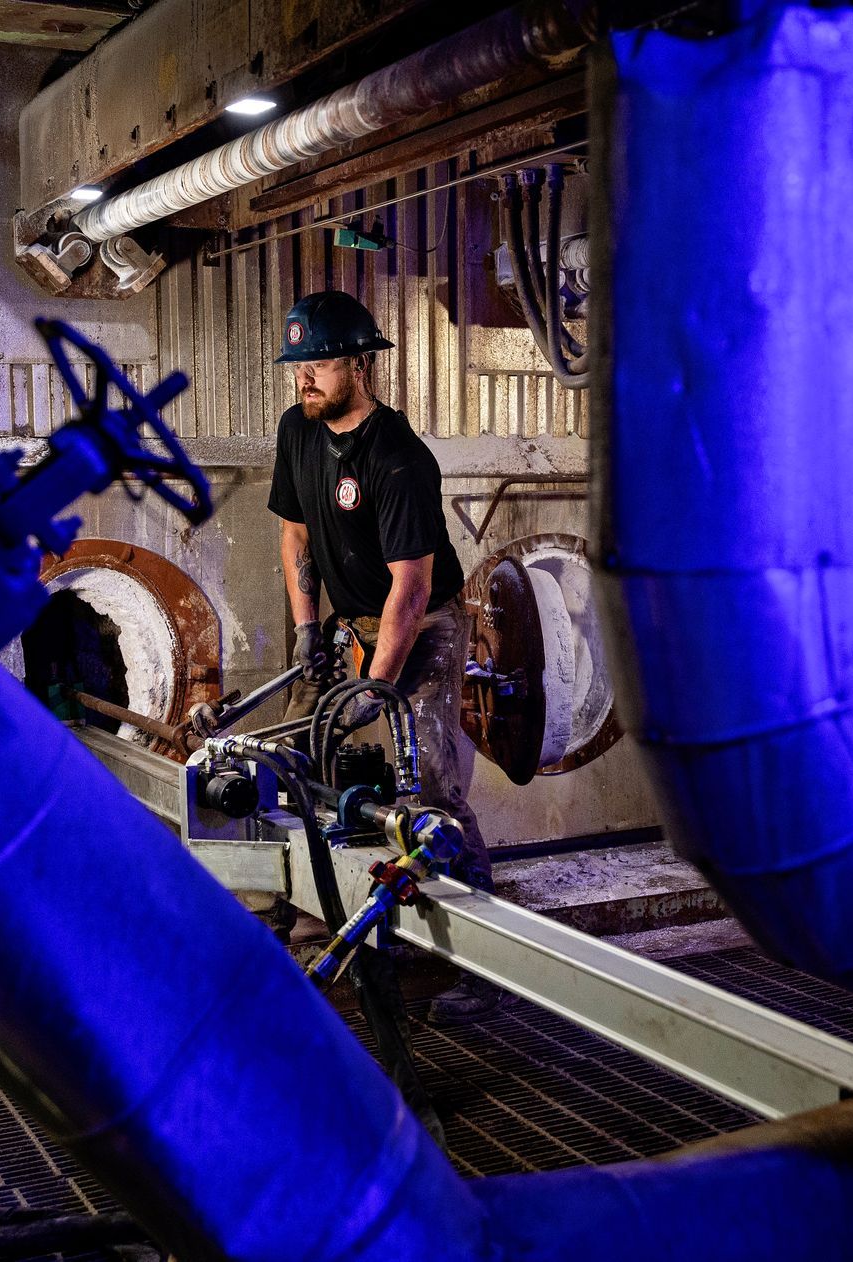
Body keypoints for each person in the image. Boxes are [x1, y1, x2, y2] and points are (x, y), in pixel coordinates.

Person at [266, 289, 505, 1025]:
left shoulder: (399, 458)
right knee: (298, 757)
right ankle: (312, 921)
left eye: (319, 365)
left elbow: (412, 588)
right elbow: (297, 538)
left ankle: (481, 962)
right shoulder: (297, 430)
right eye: (297, 365)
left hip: (421, 622)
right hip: (347, 619)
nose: (303, 379)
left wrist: (378, 686)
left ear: (359, 365)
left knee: (428, 782)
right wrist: (309, 631)